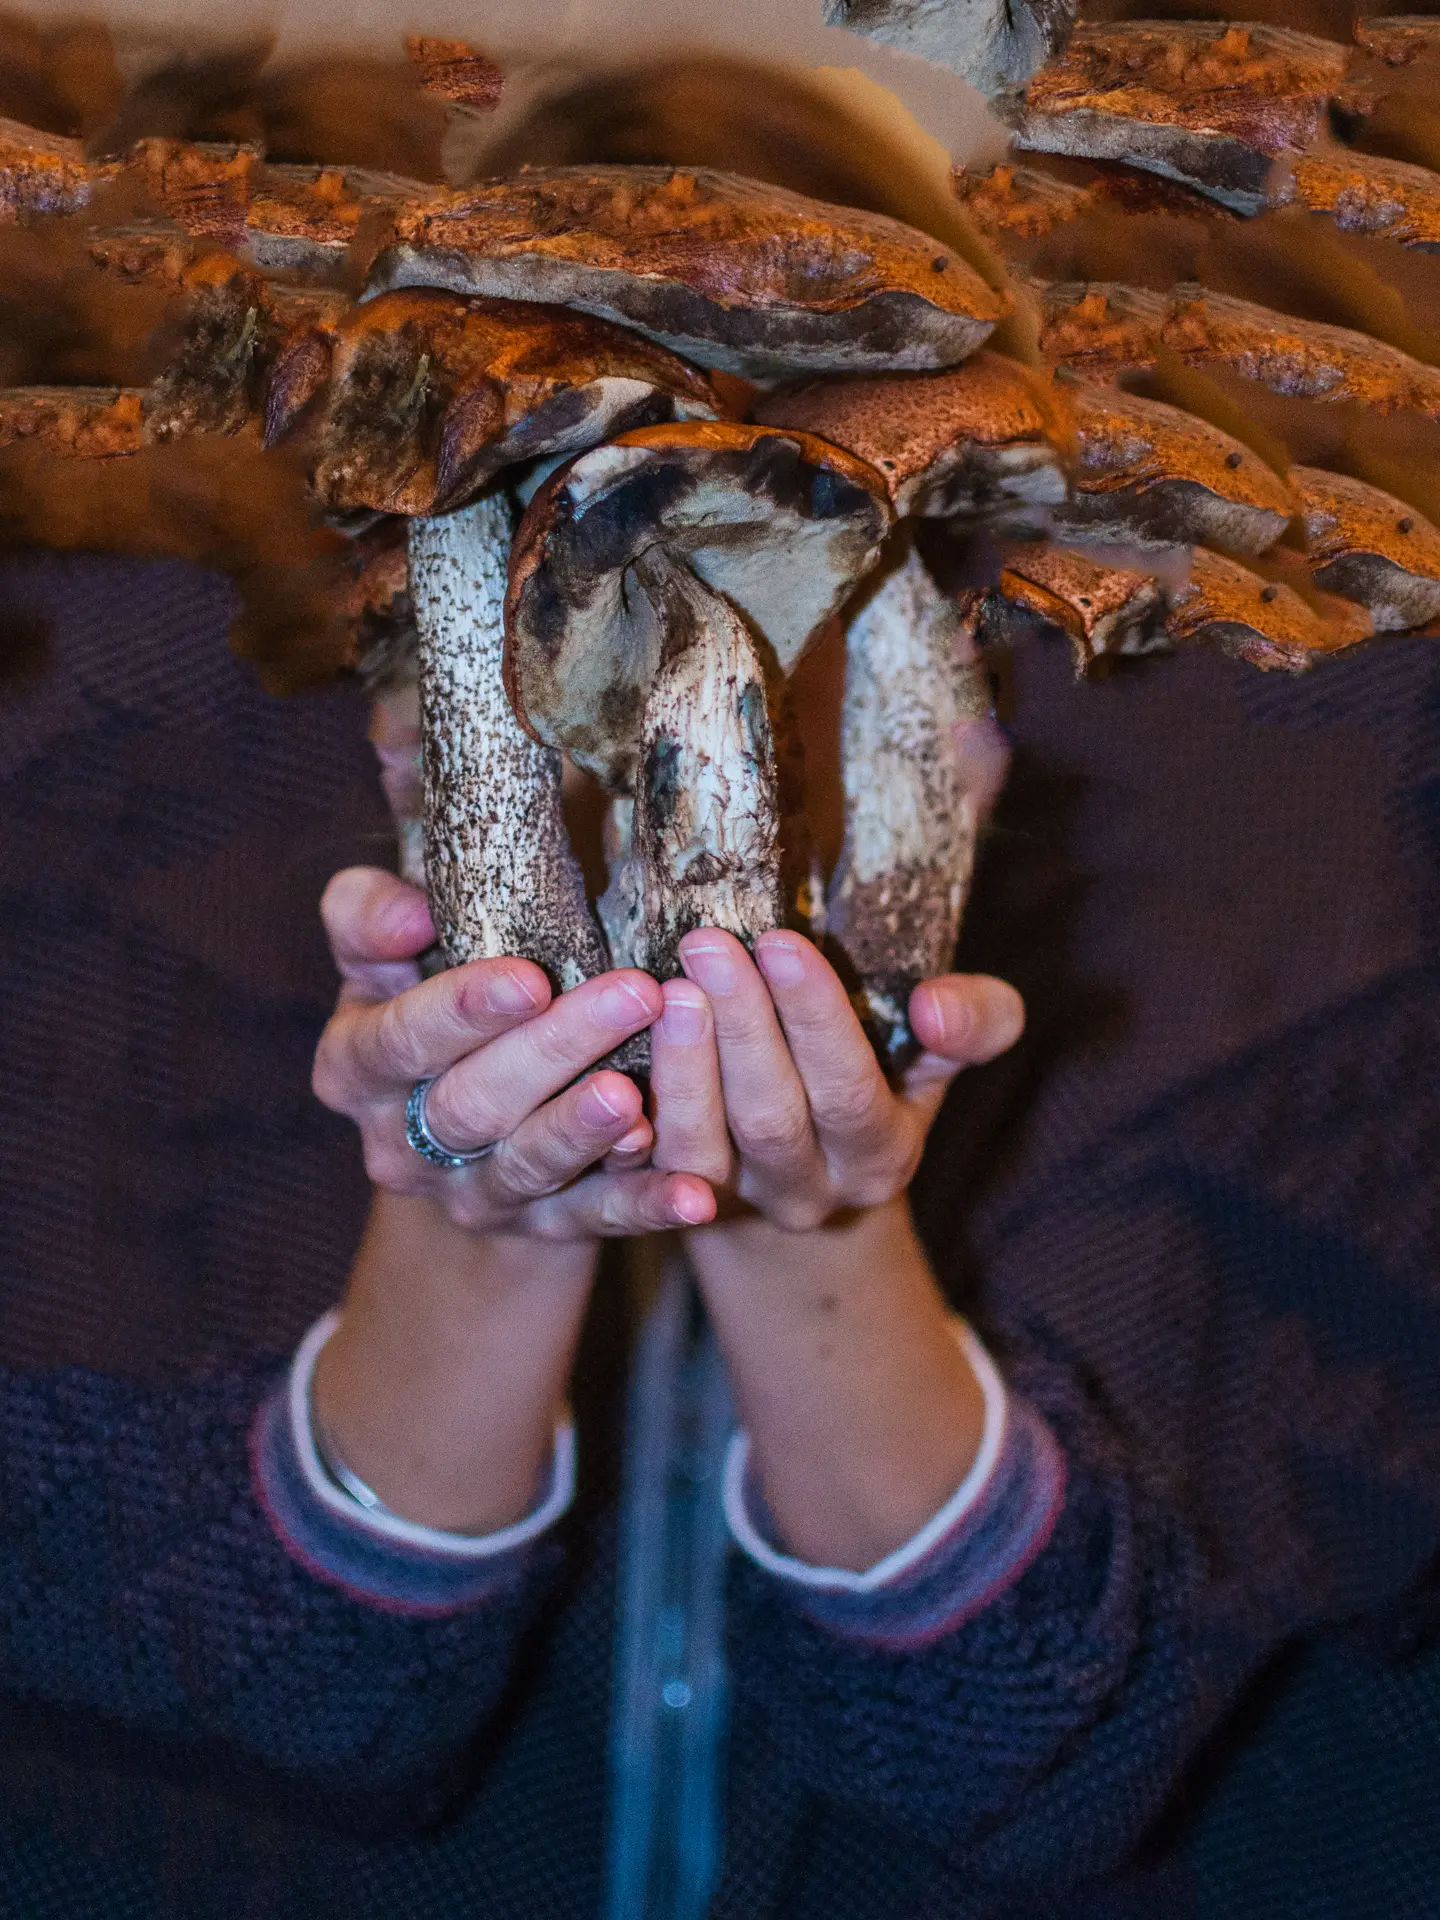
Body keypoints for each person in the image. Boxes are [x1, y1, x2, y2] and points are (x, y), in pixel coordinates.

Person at [0, 57, 1437, 1920]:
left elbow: (1041, 1743)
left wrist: (813, 1211)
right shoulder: (106, 945)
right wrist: (483, 1209)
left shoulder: (1287, 985)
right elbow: (253, 1678)